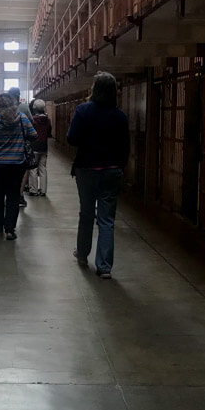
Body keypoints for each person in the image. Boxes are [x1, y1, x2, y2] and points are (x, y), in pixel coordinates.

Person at [67, 71, 130, 280]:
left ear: (94, 89)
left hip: (87, 169)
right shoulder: (120, 116)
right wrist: (120, 166)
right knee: (107, 219)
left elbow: (72, 138)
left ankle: (83, 254)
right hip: (112, 170)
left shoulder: (83, 111)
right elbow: (125, 146)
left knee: (86, 213)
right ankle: (104, 266)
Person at [0, 92, 38, 240]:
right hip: (16, 163)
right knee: (13, 195)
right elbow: (34, 135)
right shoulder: (21, 118)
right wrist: (19, 138)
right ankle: (10, 230)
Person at [7, 87, 33, 207]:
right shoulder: (24, 108)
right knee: (24, 169)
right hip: (20, 145)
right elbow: (31, 124)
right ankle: (19, 194)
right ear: (18, 96)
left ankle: (9, 194)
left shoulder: (3, 109)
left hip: (5, 146)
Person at [28, 99, 53, 197]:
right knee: (43, 169)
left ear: (34, 108)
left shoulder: (32, 120)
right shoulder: (47, 120)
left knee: (33, 169)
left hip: (34, 146)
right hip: (44, 147)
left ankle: (33, 190)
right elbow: (49, 133)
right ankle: (43, 190)